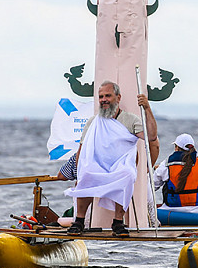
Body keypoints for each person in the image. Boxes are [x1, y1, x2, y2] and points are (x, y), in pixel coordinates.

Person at [62, 81, 158, 237]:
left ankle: (118, 222)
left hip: (120, 165)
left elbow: (151, 136)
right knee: (86, 173)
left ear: (118, 97)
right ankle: (78, 221)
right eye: (101, 97)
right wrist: (79, 170)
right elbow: (82, 148)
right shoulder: (93, 122)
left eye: (108, 95)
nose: (103, 99)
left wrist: (147, 108)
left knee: (127, 174)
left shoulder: (130, 120)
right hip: (97, 164)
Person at [153, 133, 198, 214]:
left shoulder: (166, 164)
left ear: (177, 148)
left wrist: (157, 170)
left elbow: (153, 186)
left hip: (172, 211)